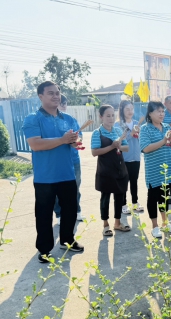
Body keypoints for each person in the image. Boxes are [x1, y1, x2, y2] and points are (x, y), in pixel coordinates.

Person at [23, 81, 84, 263]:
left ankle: (67, 240)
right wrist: (63, 139)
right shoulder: (33, 119)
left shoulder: (68, 119)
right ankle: (44, 249)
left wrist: (74, 141)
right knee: (43, 213)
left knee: (70, 210)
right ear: (40, 96)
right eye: (51, 93)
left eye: (58, 92)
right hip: (45, 177)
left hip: (67, 173)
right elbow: (35, 144)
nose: (56, 96)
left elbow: (75, 141)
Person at [140, 101, 171, 238]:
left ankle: (165, 223)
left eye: (163, 111)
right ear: (150, 114)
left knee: (165, 196)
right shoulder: (145, 129)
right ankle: (155, 226)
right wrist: (164, 140)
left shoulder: (167, 127)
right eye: (158, 111)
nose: (162, 114)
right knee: (153, 197)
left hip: (167, 168)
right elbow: (145, 148)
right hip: (154, 170)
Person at [92, 105, 131, 236]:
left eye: (113, 115)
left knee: (119, 196)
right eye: (108, 116)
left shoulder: (118, 131)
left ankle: (117, 222)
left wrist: (120, 145)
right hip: (105, 171)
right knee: (105, 198)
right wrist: (111, 146)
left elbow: (127, 148)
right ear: (101, 117)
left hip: (120, 169)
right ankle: (105, 224)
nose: (111, 118)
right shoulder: (97, 133)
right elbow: (94, 152)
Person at [54, 94, 85, 225]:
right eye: (61, 103)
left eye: (65, 104)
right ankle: (60, 213)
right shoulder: (50, 121)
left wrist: (77, 139)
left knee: (75, 186)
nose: (63, 106)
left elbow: (81, 136)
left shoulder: (71, 119)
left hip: (73, 160)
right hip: (57, 161)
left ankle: (76, 210)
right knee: (57, 189)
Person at [114, 99, 144, 214]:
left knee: (134, 181)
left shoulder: (136, 123)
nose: (130, 111)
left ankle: (135, 203)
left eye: (131, 109)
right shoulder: (118, 125)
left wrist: (138, 132)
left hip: (136, 157)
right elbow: (120, 141)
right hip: (124, 158)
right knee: (124, 181)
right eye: (127, 109)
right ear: (122, 110)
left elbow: (139, 139)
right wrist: (131, 134)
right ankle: (123, 204)